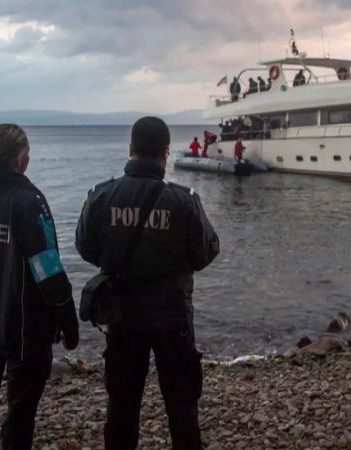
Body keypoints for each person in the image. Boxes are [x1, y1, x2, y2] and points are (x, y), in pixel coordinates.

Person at [75, 117, 220, 450]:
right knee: (182, 405)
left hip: (122, 317)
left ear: (131, 149)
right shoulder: (184, 200)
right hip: (173, 317)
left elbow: (85, 247)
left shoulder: (102, 195)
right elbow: (206, 252)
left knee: (123, 405)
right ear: (166, 153)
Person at [0, 124, 79, 450]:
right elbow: (48, 268)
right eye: (27, 154)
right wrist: (68, 320)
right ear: (21, 159)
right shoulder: (27, 201)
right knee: (21, 407)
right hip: (23, 326)